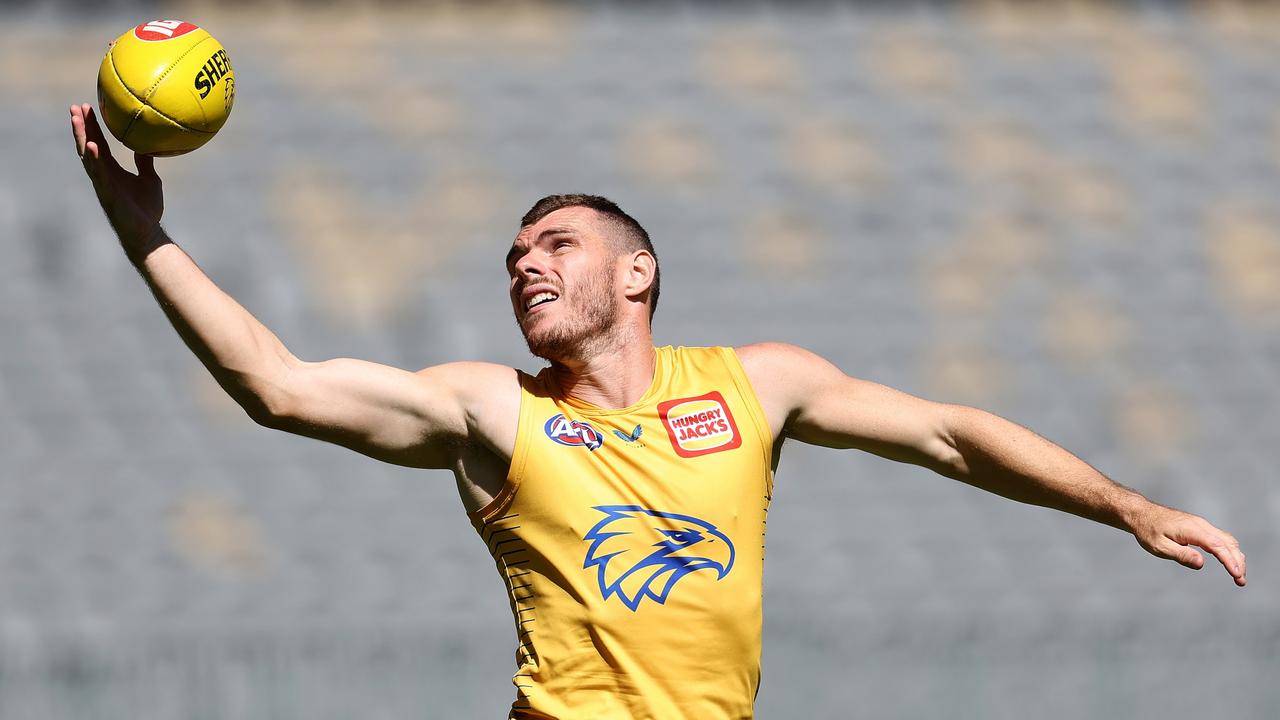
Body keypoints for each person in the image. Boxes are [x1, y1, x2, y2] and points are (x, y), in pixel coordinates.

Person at [71, 102, 1246, 720]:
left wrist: (1123, 505)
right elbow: (275, 385)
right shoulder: (494, 413)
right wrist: (141, 230)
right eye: (513, 254)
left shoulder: (755, 383)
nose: (525, 264)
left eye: (557, 244)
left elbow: (950, 433)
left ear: (635, 274)